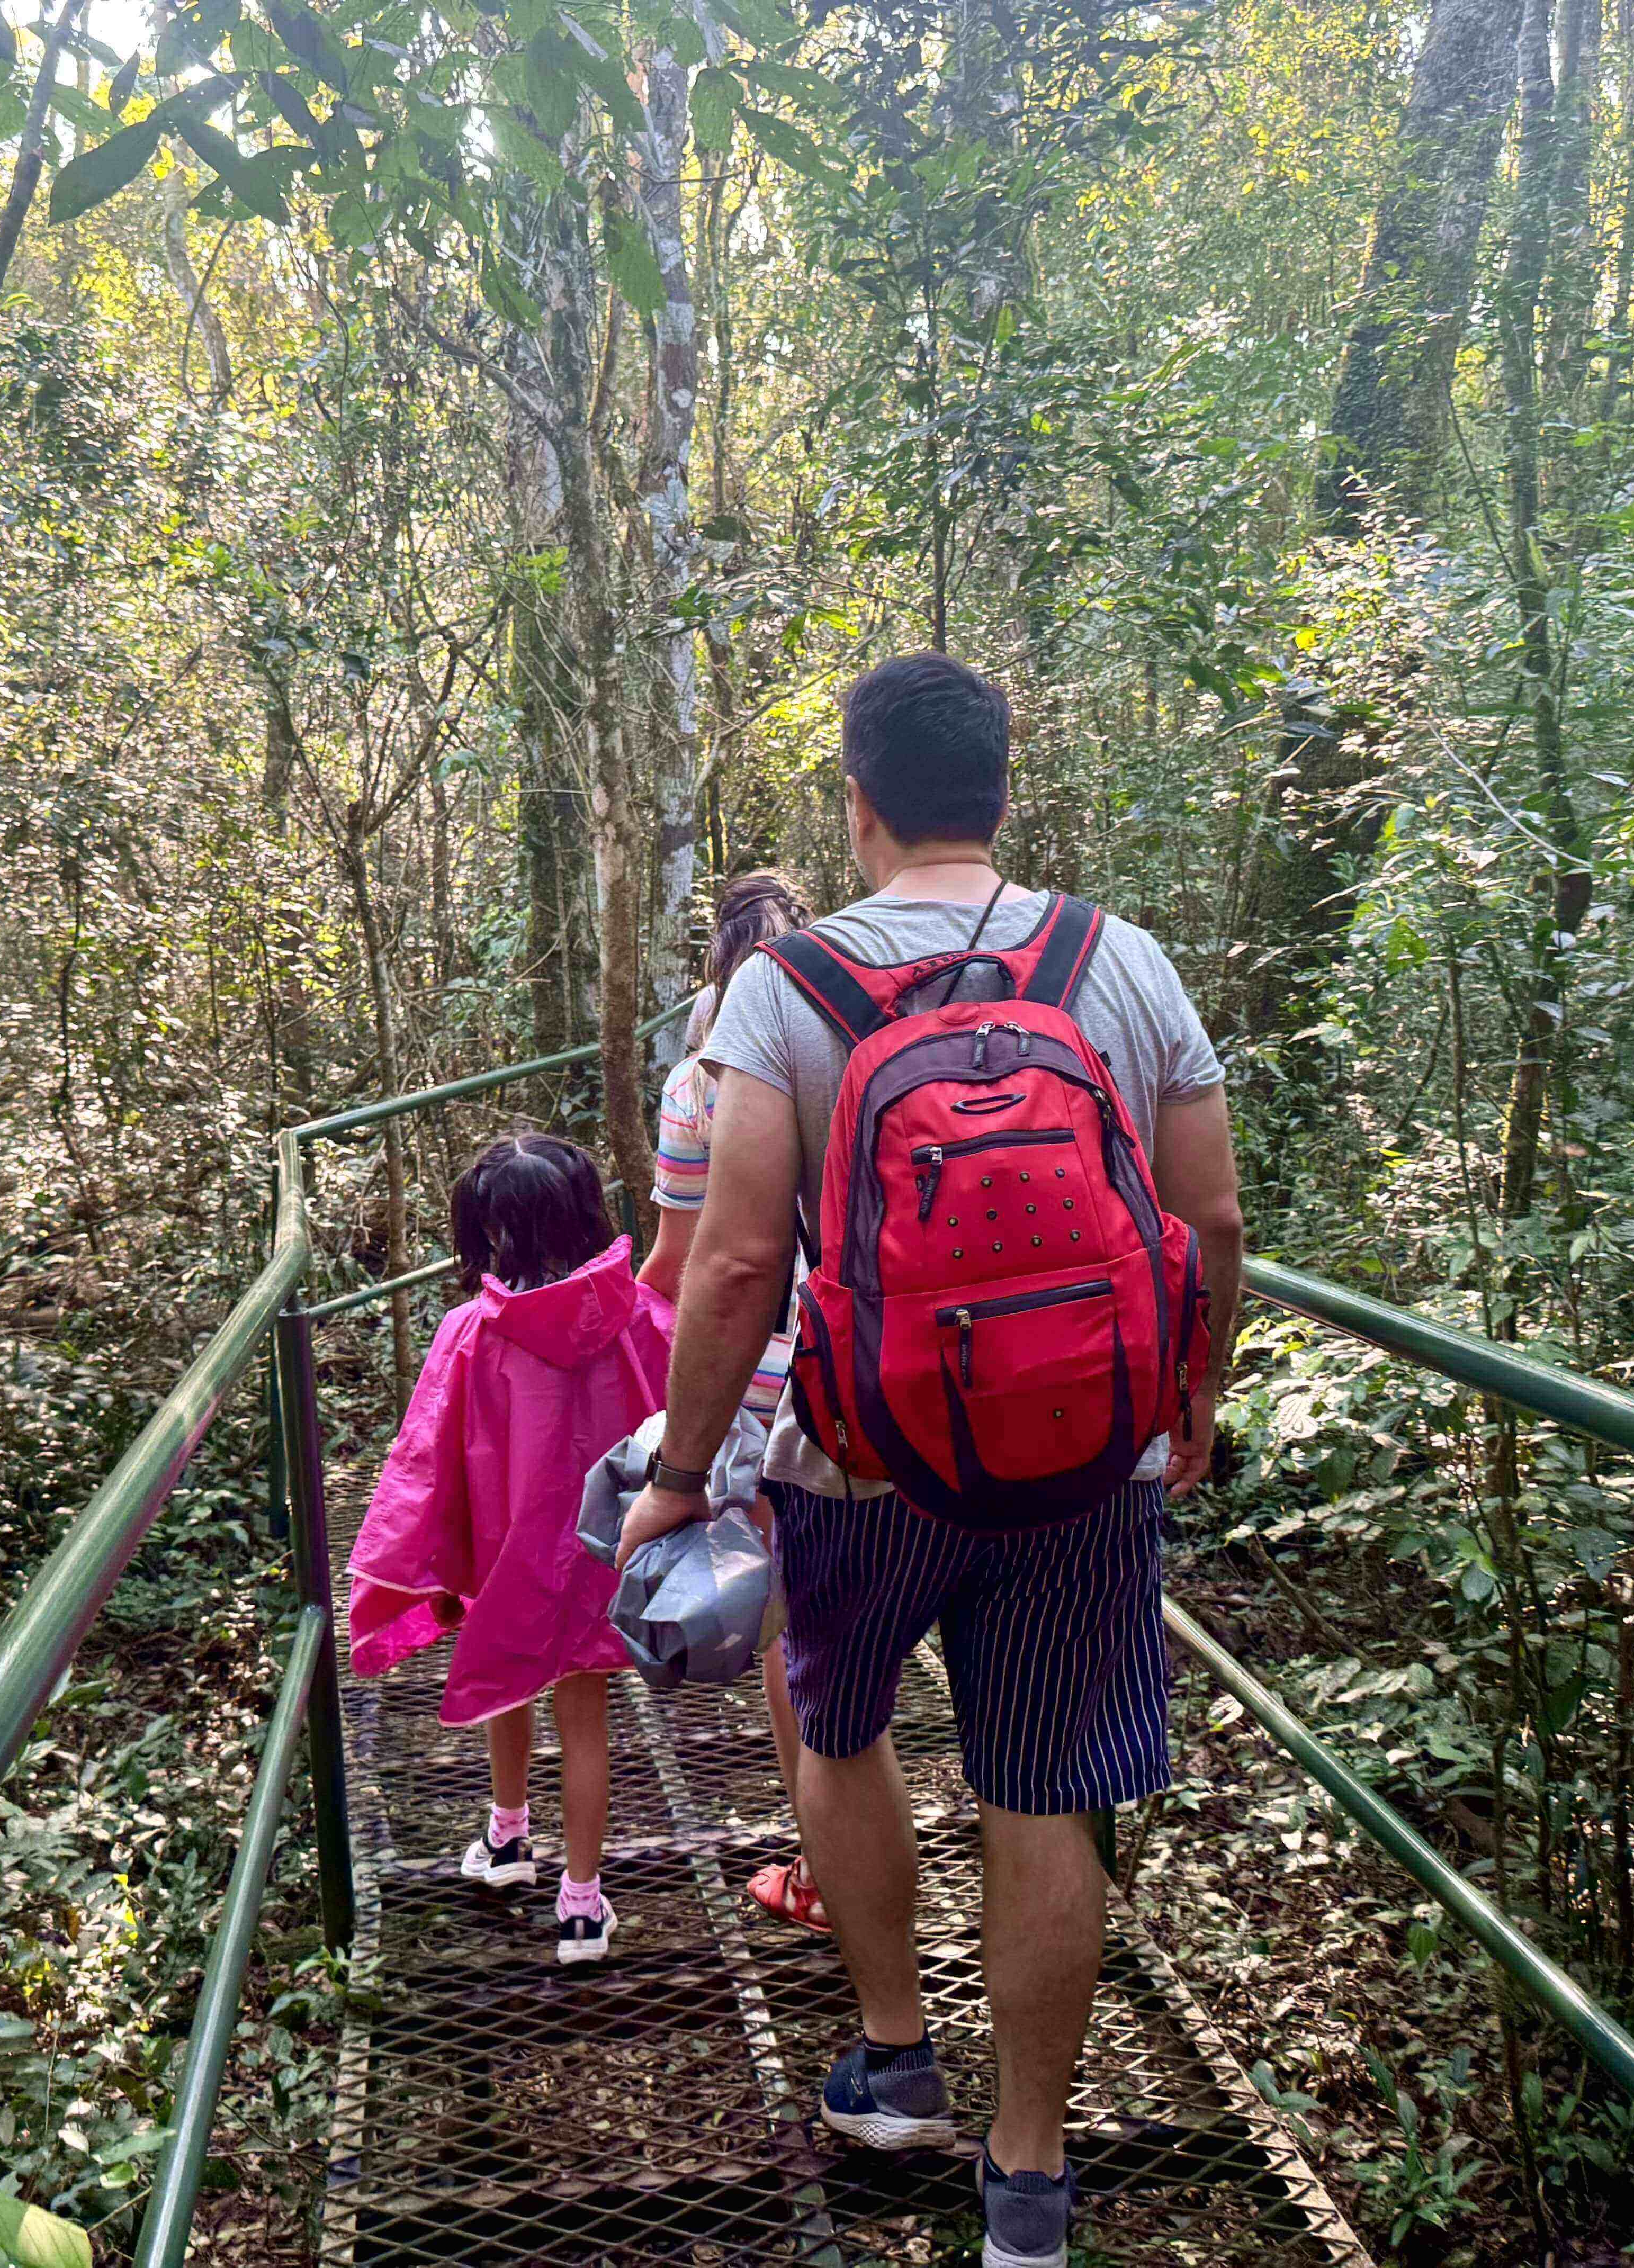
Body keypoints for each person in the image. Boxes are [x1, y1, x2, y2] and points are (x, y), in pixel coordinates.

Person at [616, 654, 1244, 2268]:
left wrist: (687, 1473)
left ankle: (896, 2058)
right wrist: (1193, 1398)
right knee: (1048, 1785)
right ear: (1003, 791)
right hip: (1089, 1466)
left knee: (839, 1723)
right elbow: (1210, 1219)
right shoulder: (1122, 961)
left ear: (861, 803)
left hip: (859, 1458)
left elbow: (740, 1262)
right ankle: (1026, 2181)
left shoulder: (788, 987)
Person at [347, 1131, 674, 1965]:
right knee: (587, 1721)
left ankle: (506, 1839)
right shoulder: (639, 1313)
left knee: (509, 1678)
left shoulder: (470, 1331)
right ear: (586, 1212)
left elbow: (429, 1456)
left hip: (504, 1557)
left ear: (491, 1229)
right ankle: (582, 1907)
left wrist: (422, 1558)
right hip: (605, 1556)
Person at [639, 870, 824, 1932]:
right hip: (873, 1367)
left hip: (765, 1395)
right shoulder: (853, 1025)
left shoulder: (700, 1079)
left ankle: (823, 1861)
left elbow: (681, 1262)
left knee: (793, 1640)